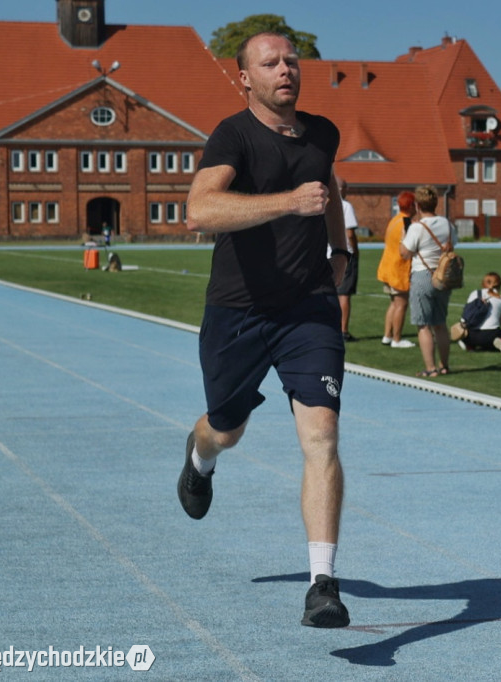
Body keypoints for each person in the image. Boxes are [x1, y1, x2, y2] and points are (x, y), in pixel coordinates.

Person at [179, 31, 351, 628]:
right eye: (269, 63)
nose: (285, 70)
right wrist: (285, 203)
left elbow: (327, 186)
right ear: (244, 78)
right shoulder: (234, 135)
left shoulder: (322, 132)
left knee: (321, 437)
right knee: (226, 429)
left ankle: (322, 584)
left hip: (308, 309)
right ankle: (199, 459)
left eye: (292, 61)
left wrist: (340, 249)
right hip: (239, 312)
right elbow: (200, 209)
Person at [400, 184, 456, 377]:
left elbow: (405, 253)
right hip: (443, 275)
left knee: (423, 325)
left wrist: (403, 237)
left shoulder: (417, 227)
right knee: (440, 323)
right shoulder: (447, 224)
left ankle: (430, 368)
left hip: (422, 274)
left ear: (417, 205)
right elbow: (451, 245)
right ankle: (444, 365)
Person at [377, 191, 415, 348]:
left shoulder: (395, 219)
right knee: (401, 304)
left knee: (393, 304)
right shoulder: (406, 222)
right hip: (398, 269)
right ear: (412, 205)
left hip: (388, 267)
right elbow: (407, 248)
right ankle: (397, 339)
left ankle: (387, 335)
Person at [457, 272, 501, 354]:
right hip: (490, 336)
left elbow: (466, 315)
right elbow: (500, 322)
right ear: (499, 284)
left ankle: (468, 343)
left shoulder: (475, 293)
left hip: (470, 335)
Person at [336, 178, 359, 341]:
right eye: (345, 187)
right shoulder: (345, 206)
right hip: (344, 254)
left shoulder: (324, 204)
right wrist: (355, 250)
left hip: (326, 254)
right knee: (344, 294)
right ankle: (343, 330)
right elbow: (350, 233)